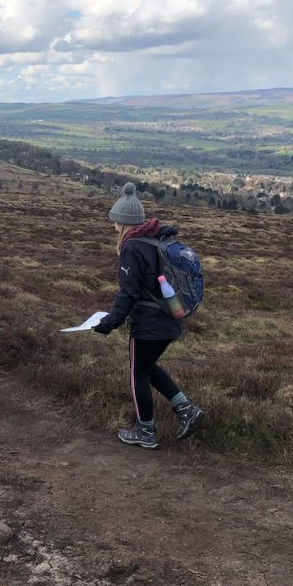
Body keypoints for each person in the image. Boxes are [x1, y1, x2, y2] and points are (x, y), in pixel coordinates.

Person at [92, 182, 205, 449]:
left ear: (124, 222)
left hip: (148, 323)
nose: (113, 227)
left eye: (115, 222)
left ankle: (146, 431)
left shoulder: (132, 248)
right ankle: (186, 409)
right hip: (169, 318)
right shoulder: (155, 241)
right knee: (147, 367)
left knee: (137, 374)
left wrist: (109, 323)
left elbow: (128, 293)